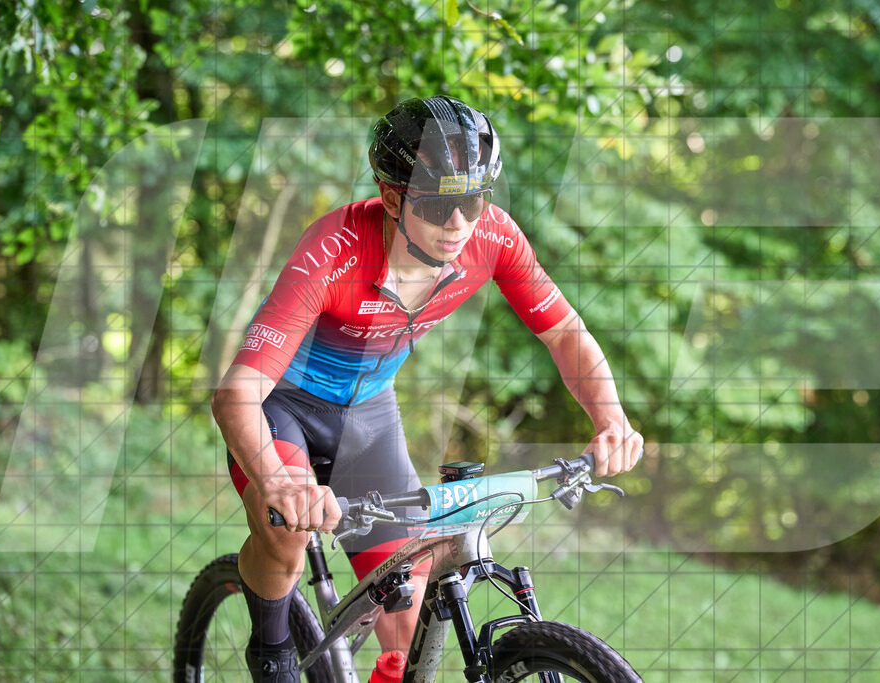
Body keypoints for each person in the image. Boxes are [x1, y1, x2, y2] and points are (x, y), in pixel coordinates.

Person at [210, 95, 647, 682]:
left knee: (407, 618)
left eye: (472, 200)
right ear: (392, 197)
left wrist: (611, 417)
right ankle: (271, 650)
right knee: (285, 538)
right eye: (439, 204)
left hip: (368, 413)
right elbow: (236, 393)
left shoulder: (492, 236)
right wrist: (280, 482)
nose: (459, 223)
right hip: (282, 406)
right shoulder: (335, 248)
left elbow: (565, 332)